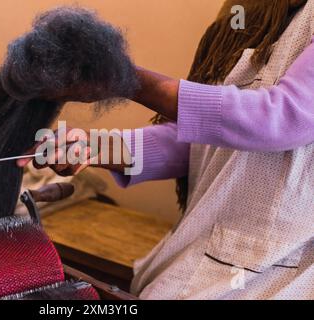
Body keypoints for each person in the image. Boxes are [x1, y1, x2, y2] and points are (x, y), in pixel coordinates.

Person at [18, 0, 314, 299]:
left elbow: (284, 118)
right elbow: (208, 144)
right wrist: (95, 148)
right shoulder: (245, 16)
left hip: (280, 274)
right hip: (207, 257)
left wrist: (126, 79)